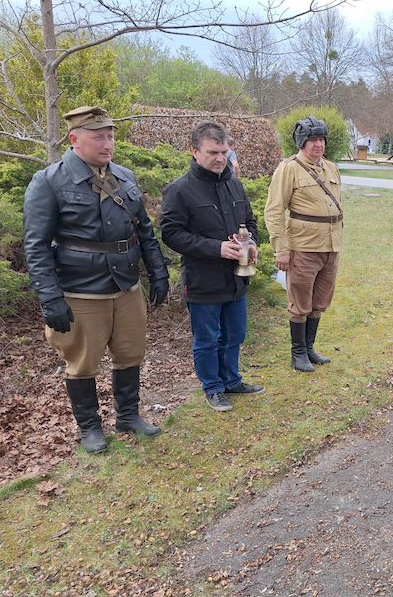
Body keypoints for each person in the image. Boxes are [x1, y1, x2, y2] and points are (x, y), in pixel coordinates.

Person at [23, 105, 169, 454]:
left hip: (126, 286)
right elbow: (36, 245)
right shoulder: (49, 181)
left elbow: (144, 231)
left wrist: (158, 271)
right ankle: (90, 428)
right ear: (74, 139)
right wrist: (50, 297)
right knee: (82, 362)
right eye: (99, 137)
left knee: (130, 353)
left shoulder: (124, 176)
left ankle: (128, 416)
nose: (108, 144)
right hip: (81, 291)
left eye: (110, 136)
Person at [160, 122, 264, 413]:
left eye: (224, 151)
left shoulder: (234, 184)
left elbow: (250, 222)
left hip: (236, 278)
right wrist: (216, 248)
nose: (220, 158)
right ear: (194, 151)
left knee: (235, 334)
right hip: (203, 279)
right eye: (212, 152)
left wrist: (251, 244)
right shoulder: (180, 190)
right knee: (207, 339)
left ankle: (231, 380)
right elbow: (171, 234)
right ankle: (213, 388)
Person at [264, 116, 343, 373]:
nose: (318, 145)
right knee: (299, 302)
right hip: (303, 247)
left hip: (330, 247)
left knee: (320, 301)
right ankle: (297, 353)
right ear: (301, 142)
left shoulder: (331, 168)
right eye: (312, 140)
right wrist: (281, 249)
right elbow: (274, 211)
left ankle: (309, 348)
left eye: (321, 139)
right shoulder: (289, 168)